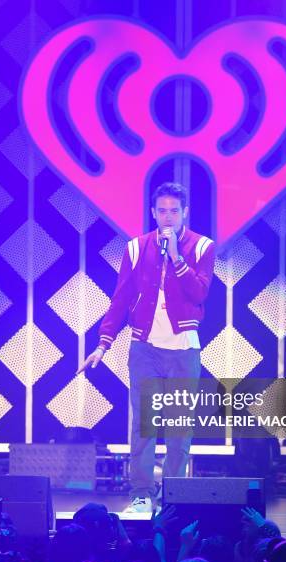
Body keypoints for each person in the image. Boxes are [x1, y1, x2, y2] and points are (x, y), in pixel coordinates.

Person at [77, 182, 215, 512]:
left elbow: (199, 293)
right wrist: (103, 344)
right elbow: (121, 298)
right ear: (153, 213)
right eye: (162, 211)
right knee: (144, 425)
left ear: (185, 213)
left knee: (180, 431)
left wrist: (178, 258)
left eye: (174, 211)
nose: (168, 217)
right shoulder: (137, 248)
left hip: (184, 350)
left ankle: (174, 496)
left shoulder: (202, 247)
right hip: (144, 349)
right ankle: (141, 493)